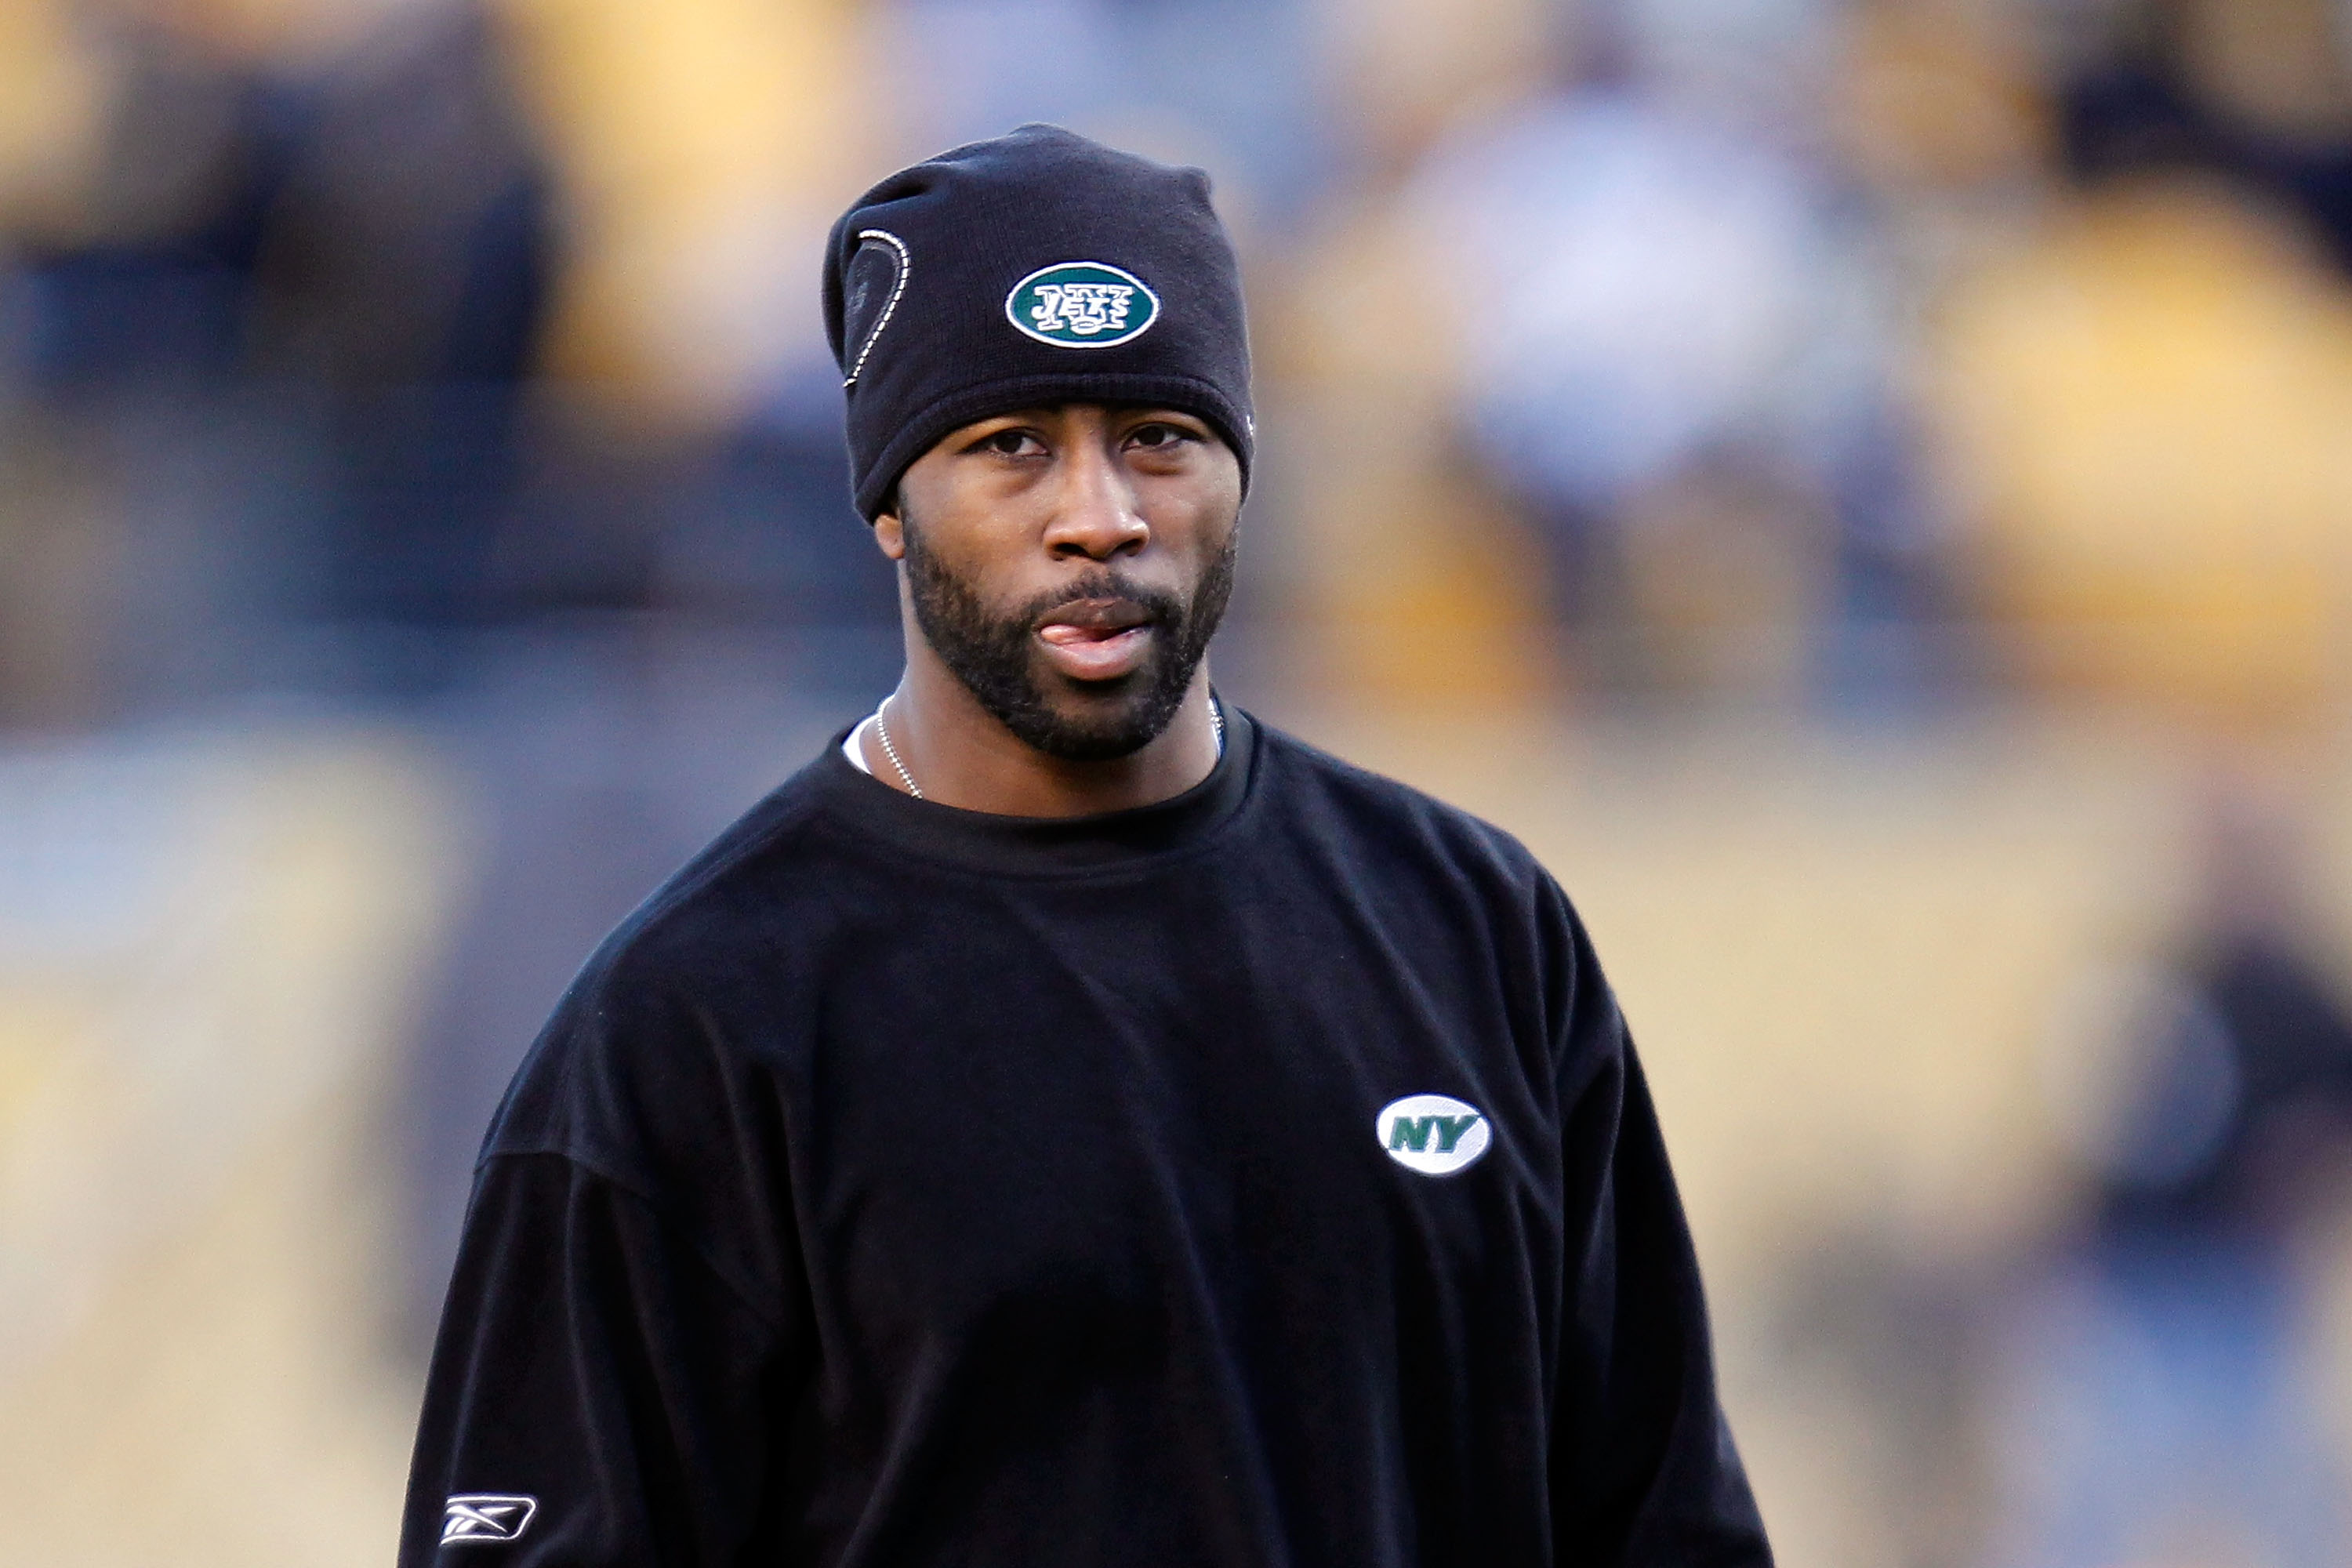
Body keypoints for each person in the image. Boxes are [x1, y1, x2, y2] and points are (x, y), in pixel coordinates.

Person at [397, 123, 1773, 1566]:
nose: (1099, 518)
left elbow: (1657, 1516)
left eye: (1156, 439)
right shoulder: (697, 1024)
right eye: (1010, 448)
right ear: (887, 507)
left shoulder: (1473, 928)